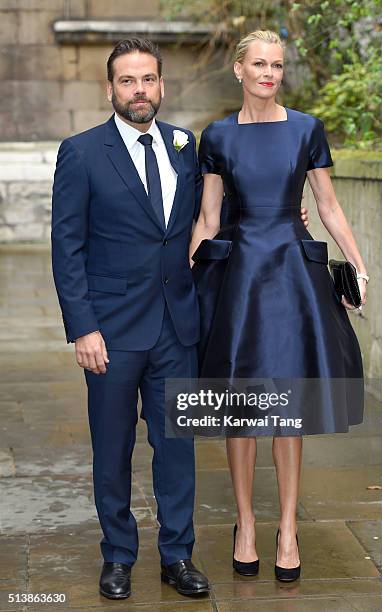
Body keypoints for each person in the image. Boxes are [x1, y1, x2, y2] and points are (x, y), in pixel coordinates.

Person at [190, 30, 368, 583]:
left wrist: (357, 266)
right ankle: (245, 524)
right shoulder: (216, 136)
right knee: (239, 408)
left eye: (278, 65)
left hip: (292, 273)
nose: (270, 73)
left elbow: (328, 204)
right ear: (239, 70)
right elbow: (209, 218)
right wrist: (182, 283)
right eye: (260, 64)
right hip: (239, 275)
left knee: (288, 405)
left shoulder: (306, 129)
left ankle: (287, 527)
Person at [51, 38, 211, 600]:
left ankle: (178, 555)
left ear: (162, 85)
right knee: (112, 448)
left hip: (176, 326)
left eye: (148, 79)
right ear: (111, 88)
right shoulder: (82, 152)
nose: (139, 90)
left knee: (177, 447)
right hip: (111, 332)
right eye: (127, 81)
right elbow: (66, 248)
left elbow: (206, 218)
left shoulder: (185, 146)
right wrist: (82, 328)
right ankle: (118, 555)